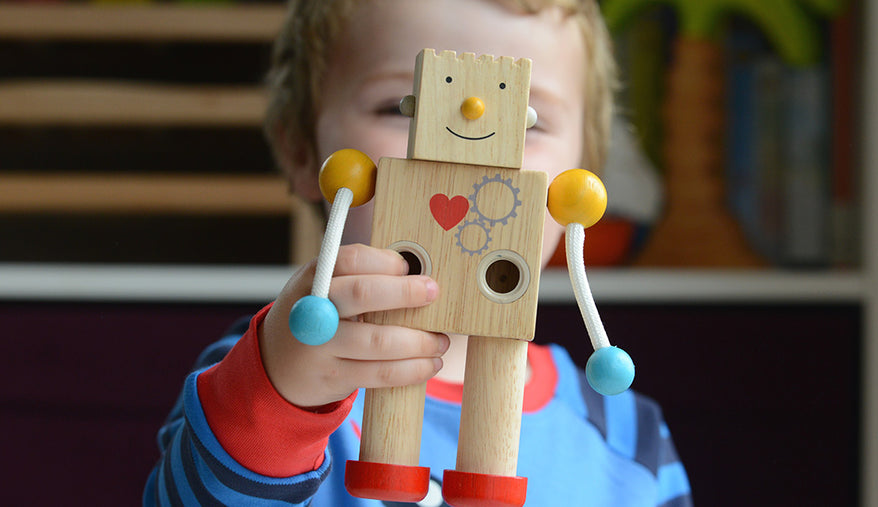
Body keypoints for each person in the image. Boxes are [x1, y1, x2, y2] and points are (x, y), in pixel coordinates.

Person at [144, 0, 692, 505]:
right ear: (300, 148)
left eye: (528, 121)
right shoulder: (263, 377)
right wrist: (274, 406)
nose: (467, 155)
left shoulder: (627, 437)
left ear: (582, 172)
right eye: (404, 107)